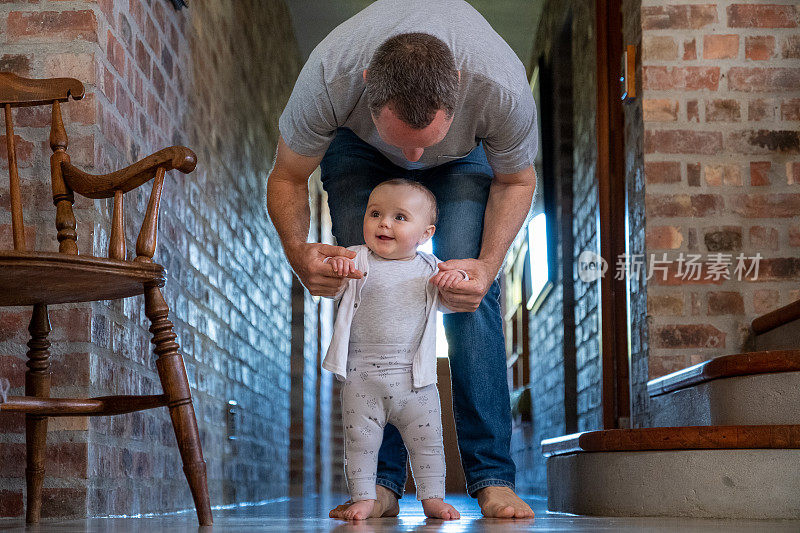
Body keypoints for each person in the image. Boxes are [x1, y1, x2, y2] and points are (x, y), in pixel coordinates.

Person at [267, 0, 537, 519]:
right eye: (404, 143)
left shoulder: (499, 85)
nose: (414, 163)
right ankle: (382, 485)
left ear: (458, 84)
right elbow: (286, 176)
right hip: (358, 152)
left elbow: (517, 179)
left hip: (465, 159)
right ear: (368, 82)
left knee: (467, 293)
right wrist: (300, 254)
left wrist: (488, 263)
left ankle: (492, 477)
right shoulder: (331, 75)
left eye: (424, 144)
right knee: (366, 288)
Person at [325, 179, 465, 520]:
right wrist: (336, 269)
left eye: (400, 217)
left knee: (429, 443)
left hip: (414, 380)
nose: (384, 223)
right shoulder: (355, 258)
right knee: (360, 443)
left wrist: (456, 278)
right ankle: (364, 498)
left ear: (426, 233)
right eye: (375, 213)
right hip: (362, 376)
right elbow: (329, 285)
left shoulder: (432, 268)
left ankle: (432, 498)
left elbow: (453, 300)